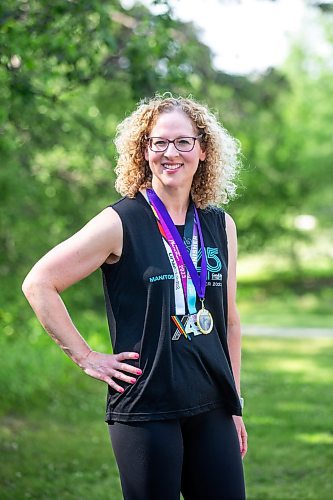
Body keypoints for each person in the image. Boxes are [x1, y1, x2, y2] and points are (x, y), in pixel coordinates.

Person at [22, 94, 247, 500]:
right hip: (146, 409)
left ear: (203, 148)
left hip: (212, 406)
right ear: (143, 151)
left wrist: (235, 403)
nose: (170, 153)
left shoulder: (220, 224)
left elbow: (229, 321)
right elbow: (39, 283)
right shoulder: (120, 221)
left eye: (182, 141)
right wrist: (85, 356)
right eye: (157, 142)